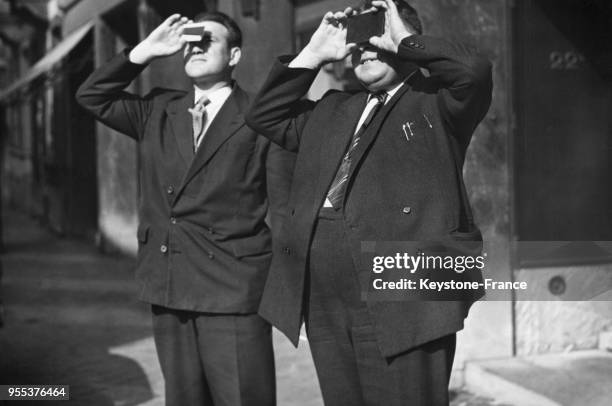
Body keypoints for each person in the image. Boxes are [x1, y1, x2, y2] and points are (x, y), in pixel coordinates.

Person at [246, 0, 492, 404]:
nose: (365, 48)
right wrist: (314, 53)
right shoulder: (332, 108)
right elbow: (265, 115)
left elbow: (474, 72)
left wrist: (404, 38)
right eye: (358, 41)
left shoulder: (439, 102)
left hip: (406, 293)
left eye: (377, 37)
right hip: (325, 297)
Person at [77, 11, 294, 406]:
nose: (194, 46)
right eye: (189, 40)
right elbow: (91, 95)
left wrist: (280, 292)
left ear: (234, 56)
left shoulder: (258, 116)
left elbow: (283, 210)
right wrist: (145, 51)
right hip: (170, 284)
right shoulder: (159, 109)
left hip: (232, 290)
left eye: (206, 39)